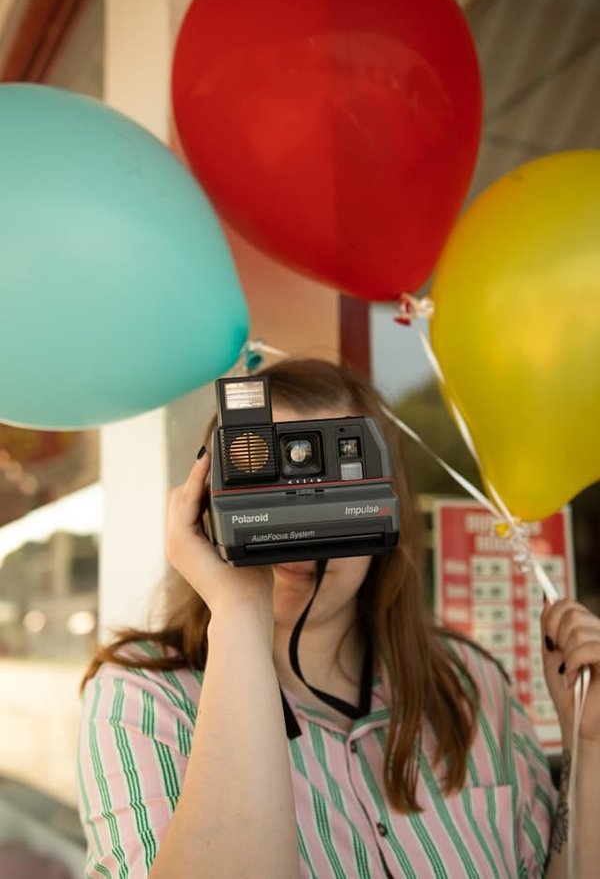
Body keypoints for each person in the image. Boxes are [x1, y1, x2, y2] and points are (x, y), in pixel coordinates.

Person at [77, 358, 600, 878]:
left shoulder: (469, 684)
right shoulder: (145, 698)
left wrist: (591, 746)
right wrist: (238, 611)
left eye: (330, 471)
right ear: (204, 497)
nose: (301, 514)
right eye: (268, 471)